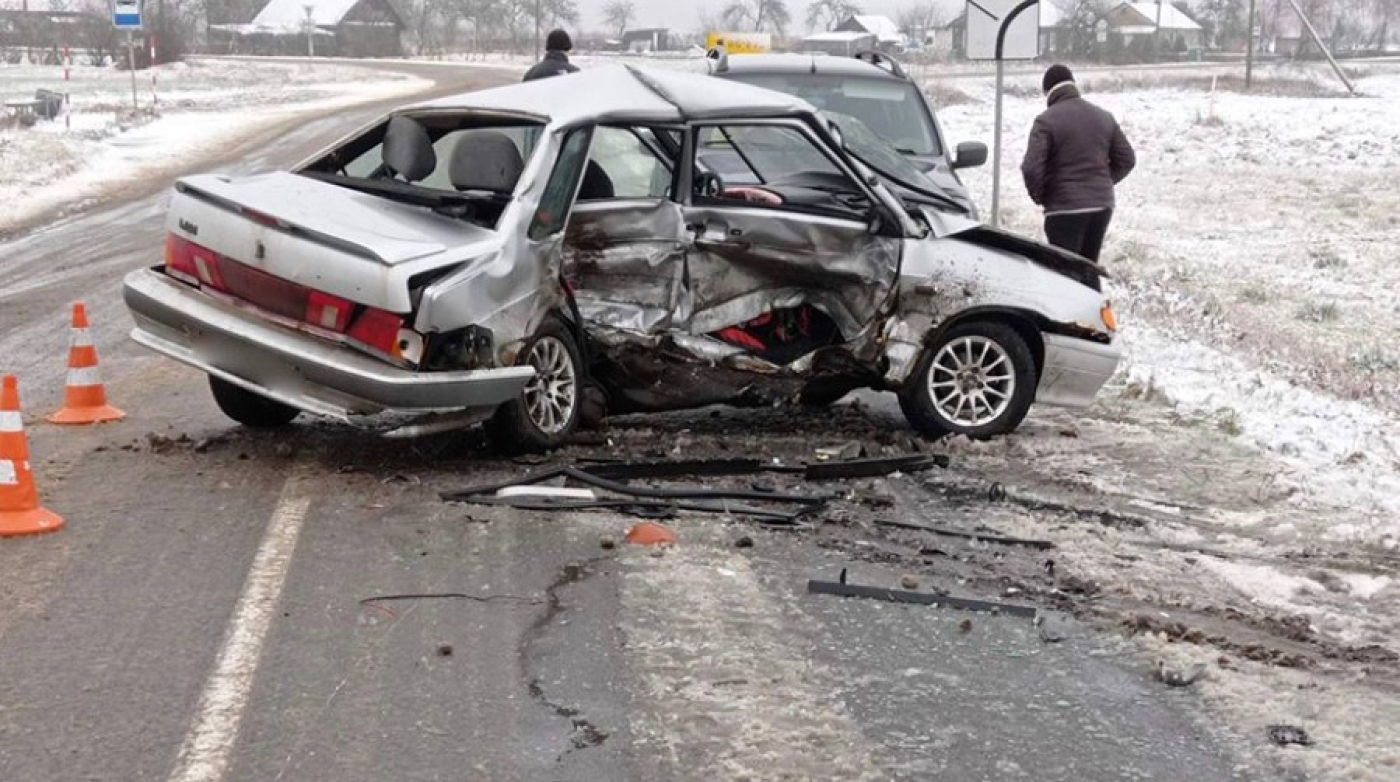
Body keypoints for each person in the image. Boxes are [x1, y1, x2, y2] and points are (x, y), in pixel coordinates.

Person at [1020, 64, 1135, 263]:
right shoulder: (1104, 116)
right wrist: (1102, 182)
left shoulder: (1045, 121)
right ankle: (1093, 295)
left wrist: (1043, 196)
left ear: (1047, 91)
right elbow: (1127, 159)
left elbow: (1031, 167)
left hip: (1064, 208)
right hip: (1101, 206)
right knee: (1089, 267)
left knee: (1065, 273)